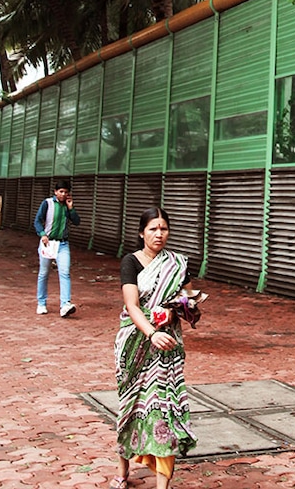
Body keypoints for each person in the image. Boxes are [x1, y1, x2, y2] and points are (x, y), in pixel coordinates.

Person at [112, 207, 197, 489]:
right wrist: (151, 332)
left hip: (168, 345)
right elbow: (132, 306)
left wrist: (176, 311)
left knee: (165, 410)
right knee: (131, 407)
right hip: (136, 344)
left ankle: (163, 485)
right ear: (141, 232)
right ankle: (123, 472)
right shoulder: (131, 262)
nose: (159, 234)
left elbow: (189, 300)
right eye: (153, 229)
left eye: (163, 229)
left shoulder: (178, 264)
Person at [33, 179, 80, 317]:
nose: (63, 194)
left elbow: (76, 221)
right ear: (55, 192)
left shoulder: (67, 206)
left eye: (66, 192)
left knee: (65, 272)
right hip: (48, 243)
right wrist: (42, 234)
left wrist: (71, 208)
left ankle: (65, 304)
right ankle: (41, 302)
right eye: (61, 191)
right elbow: (37, 221)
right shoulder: (47, 203)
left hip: (63, 244)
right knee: (44, 273)